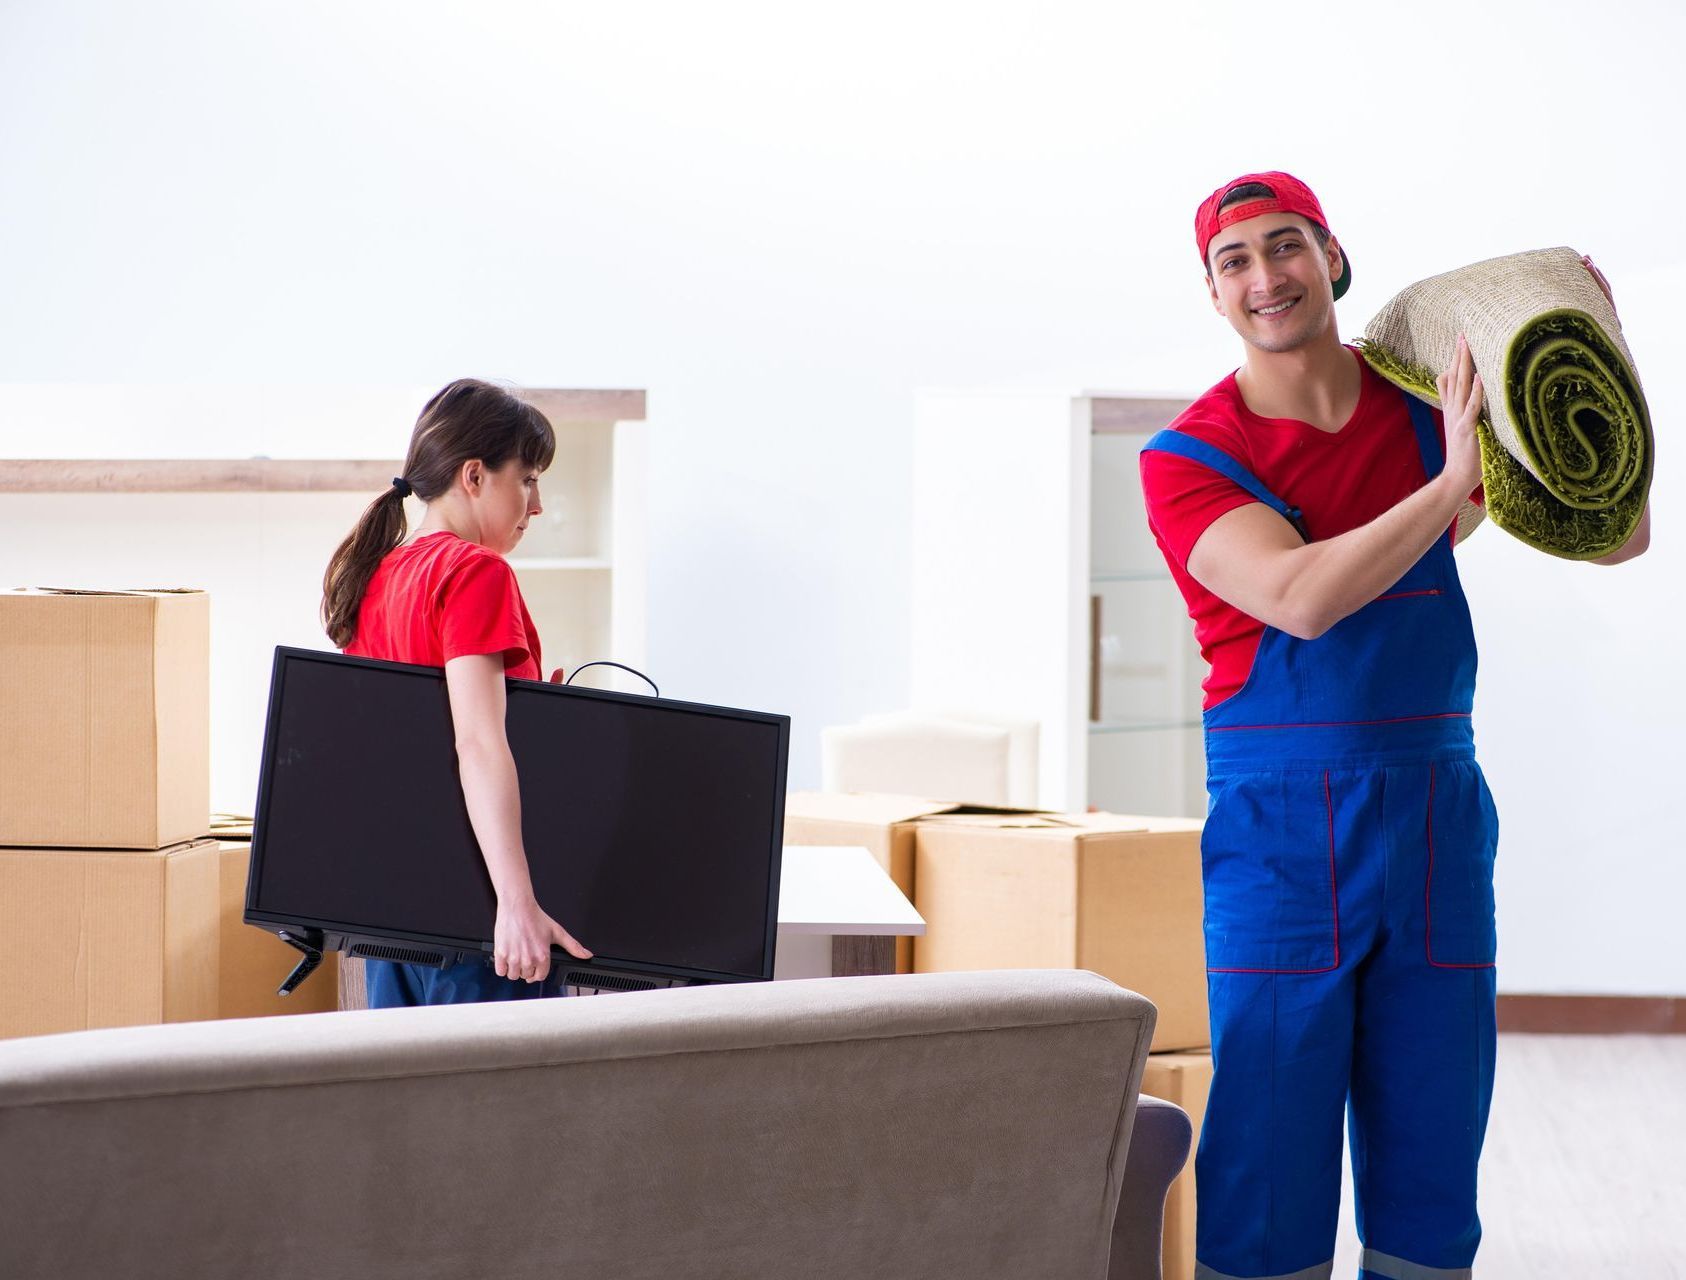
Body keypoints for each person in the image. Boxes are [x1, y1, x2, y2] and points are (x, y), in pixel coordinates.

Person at [1138, 172, 1649, 1280]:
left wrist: (1594, 347)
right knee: (1269, 1146)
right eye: (1236, 260)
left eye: (1287, 246)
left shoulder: (1430, 406)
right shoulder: (1187, 457)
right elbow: (1303, 595)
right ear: (1214, 293)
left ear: (1332, 256)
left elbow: (1618, 535)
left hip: (1434, 814)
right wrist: (1454, 479)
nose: (1266, 275)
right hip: (1281, 829)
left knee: (1432, 1137)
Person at [321, 377, 593, 1007]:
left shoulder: (379, 575)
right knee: (512, 1105)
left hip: (397, 916)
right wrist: (517, 905)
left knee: (412, 1104)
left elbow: (402, 753)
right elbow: (474, 743)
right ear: (475, 476)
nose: (537, 504)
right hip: (480, 918)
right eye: (526, 478)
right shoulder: (475, 571)